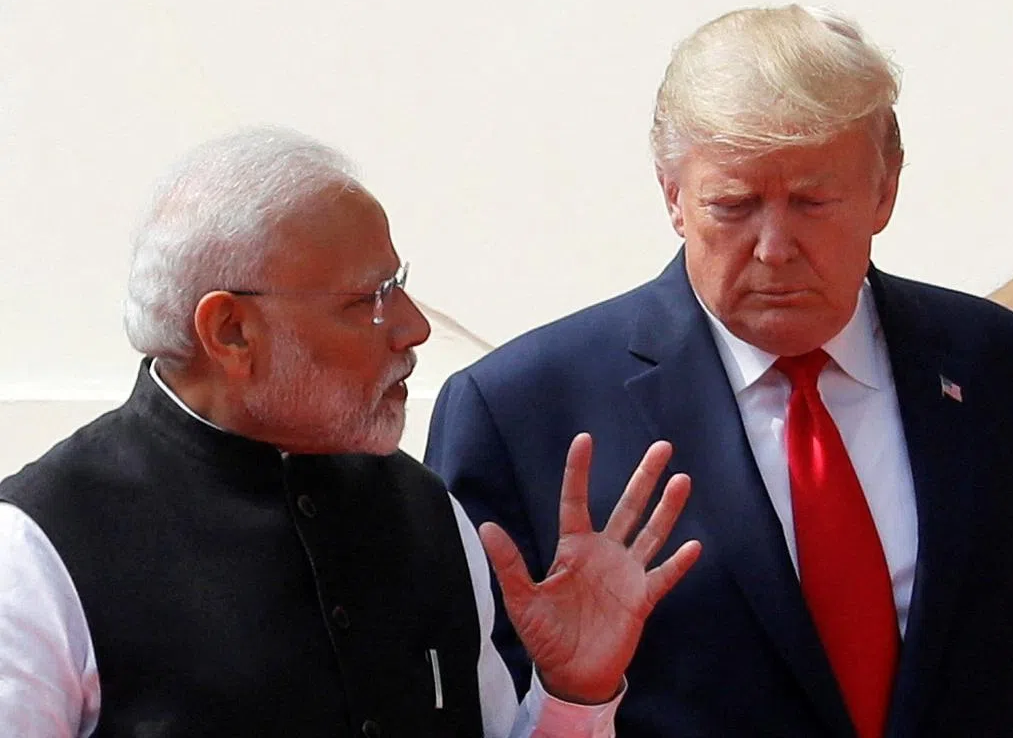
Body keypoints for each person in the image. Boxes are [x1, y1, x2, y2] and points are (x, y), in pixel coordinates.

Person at [425, 4, 1013, 737]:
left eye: (812, 202)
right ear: (674, 197)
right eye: (733, 206)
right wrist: (574, 695)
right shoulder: (522, 414)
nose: (773, 247)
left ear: (884, 191)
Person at [0, 128, 701, 737]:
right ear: (231, 332)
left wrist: (574, 694)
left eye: (399, 285)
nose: (413, 327)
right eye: (367, 300)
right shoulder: (37, 553)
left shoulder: (425, 510)